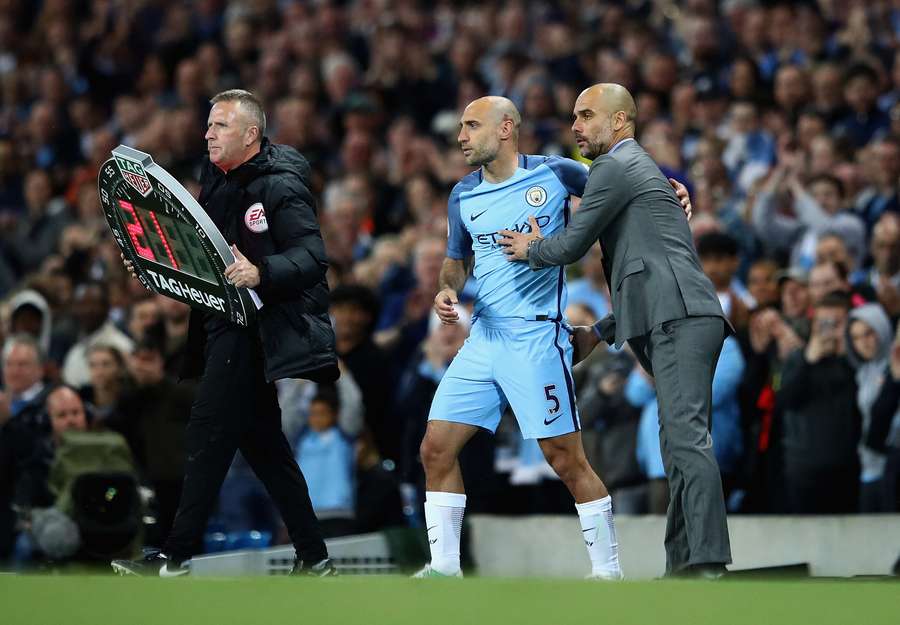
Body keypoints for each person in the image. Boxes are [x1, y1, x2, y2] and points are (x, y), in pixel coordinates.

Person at [417, 95, 692, 580]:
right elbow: (457, 259)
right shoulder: (462, 193)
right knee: (435, 448)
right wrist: (446, 289)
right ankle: (444, 569)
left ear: (506, 129)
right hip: (483, 337)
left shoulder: (556, 173)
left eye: (470, 126)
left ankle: (608, 572)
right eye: (460, 127)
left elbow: (623, 188)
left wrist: (673, 192)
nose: (460, 137)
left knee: (564, 458)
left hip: (536, 339)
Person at [500, 83, 731, 578]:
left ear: (620, 121)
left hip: (678, 318)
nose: (576, 126)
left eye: (586, 116)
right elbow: (645, 268)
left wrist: (530, 247)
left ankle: (708, 564)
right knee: (678, 443)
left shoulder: (614, 166)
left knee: (687, 441)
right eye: (574, 116)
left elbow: (572, 245)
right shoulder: (638, 171)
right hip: (676, 315)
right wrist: (605, 329)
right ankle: (684, 566)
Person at [112, 89, 339, 577]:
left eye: (219, 126)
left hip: (254, 329)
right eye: (209, 125)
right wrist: (155, 265)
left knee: (206, 432)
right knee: (266, 449)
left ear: (250, 135)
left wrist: (261, 271)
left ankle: (175, 558)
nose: (207, 133)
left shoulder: (281, 186)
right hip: (222, 322)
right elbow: (207, 256)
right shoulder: (213, 176)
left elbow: (313, 257)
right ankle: (315, 558)